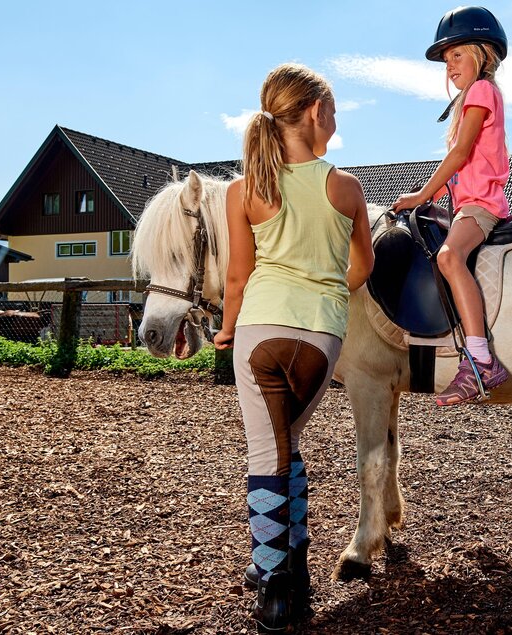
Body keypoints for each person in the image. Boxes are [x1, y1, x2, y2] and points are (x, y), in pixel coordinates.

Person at [212, 63, 374, 632]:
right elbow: (363, 265)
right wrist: (329, 296)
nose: (334, 119)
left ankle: (274, 590)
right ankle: (294, 569)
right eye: (332, 109)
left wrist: (226, 331)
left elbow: (238, 275)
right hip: (322, 337)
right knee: (288, 448)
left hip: (260, 330)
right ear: (313, 114)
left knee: (267, 456)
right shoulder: (346, 187)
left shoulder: (243, 190)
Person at [393, 6, 512, 407]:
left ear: (483, 53)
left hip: (481, 205)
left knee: (448, 257)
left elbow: (461, 154)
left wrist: (420, 195)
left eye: (457, 55)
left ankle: (480, 358)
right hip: (466, 203)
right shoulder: (470, 97)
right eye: (446, 61)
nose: (450, 66)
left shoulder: (481, 91)